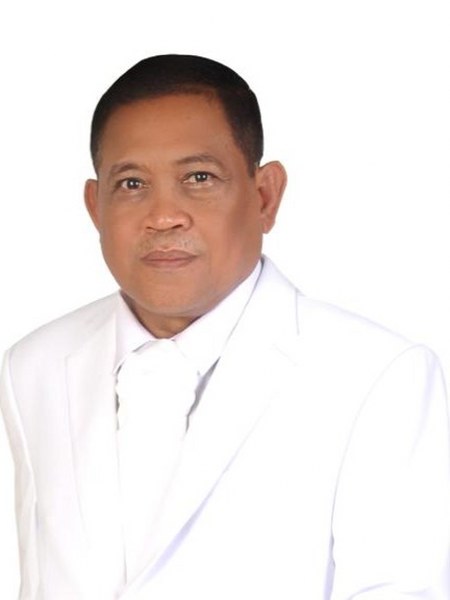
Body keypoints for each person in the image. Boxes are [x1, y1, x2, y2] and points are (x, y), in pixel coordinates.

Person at [1, 54, 449, 600]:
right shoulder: (35, 367)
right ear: (96, 207)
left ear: (265, 196)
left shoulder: (377, 376)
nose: (163, 216)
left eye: (199, 178)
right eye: (132, 183)